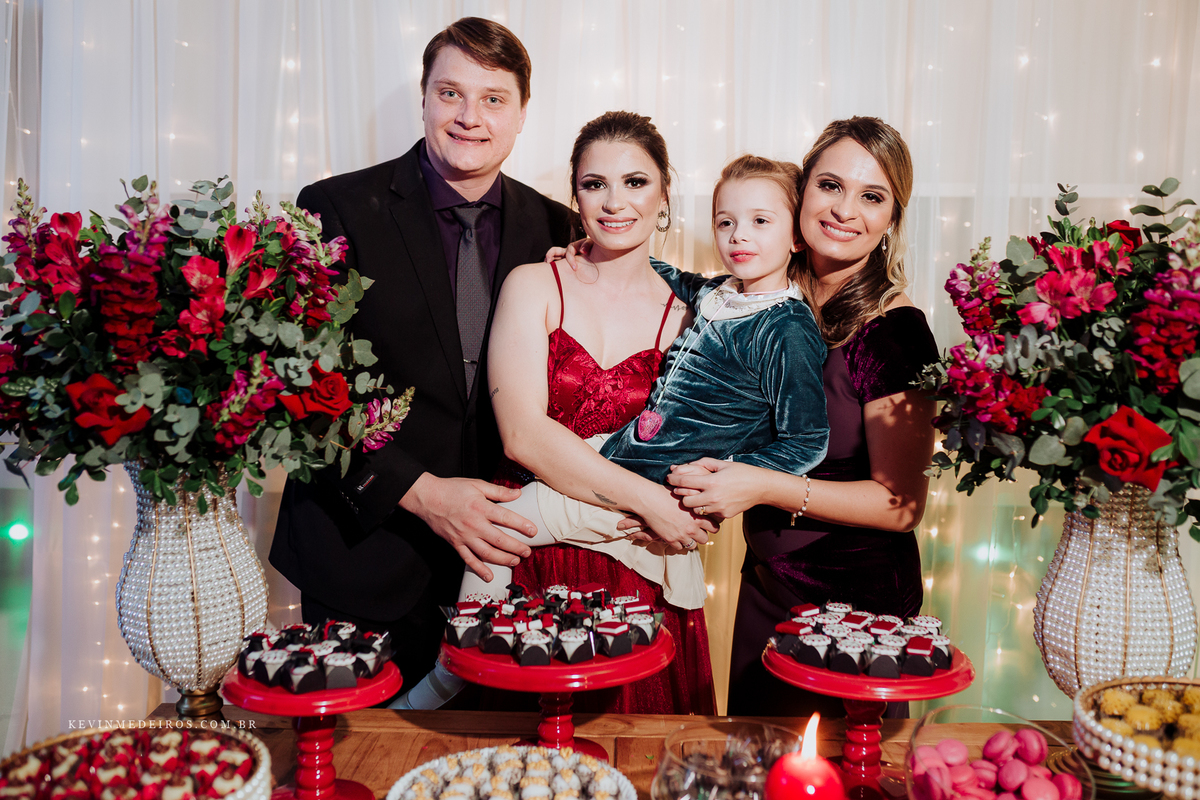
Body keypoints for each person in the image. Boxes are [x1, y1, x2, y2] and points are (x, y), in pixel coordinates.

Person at [399, 139, 830, 710]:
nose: (613, 201)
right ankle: (454, 667)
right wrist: (581, 255)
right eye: (594, 183)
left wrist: (732, 484)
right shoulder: (707, 294)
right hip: (564, 537)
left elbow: (800, 438)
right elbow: (523, 433)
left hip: (645, 540)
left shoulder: (749, 318)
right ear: (575, 193)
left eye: (635, 182)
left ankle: (445, 674)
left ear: (663, 195)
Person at [269, 17, 574, 691]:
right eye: (450, 94)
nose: (470, 117)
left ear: (524, 112)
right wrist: (423, 493)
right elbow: (296, 390)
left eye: (494, 99)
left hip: (508, 565)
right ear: (424, 96)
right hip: (362, 555)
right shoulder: (333, 209)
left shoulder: (561, 226)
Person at [666, 117, 938, 717]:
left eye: (872, 197)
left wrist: (763, 485)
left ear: (892, 218)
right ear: (800, 195)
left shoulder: (895, 333)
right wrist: (585, 260)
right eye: (830, 185)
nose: (845, 209)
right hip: (767, 590)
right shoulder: (764, 294)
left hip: (853, 617)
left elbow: (903, 506)